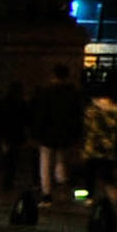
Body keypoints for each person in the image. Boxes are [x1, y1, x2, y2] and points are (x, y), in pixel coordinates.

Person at [24, 67, 85, 207]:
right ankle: (62, 182)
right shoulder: (73, 94)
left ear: (53, 76)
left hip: (47, 134)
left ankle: (47, 194)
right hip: (65, 134)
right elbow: (77, 116)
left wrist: (35, 133)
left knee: (45, 163)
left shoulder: (46, 93)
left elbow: (40, 115)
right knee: (61, 159)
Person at [77, 80, 117, 232]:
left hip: (93, 148)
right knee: (108, 175)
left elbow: (88, 128)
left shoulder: (93, 110)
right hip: (110, 148)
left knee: (90, 174)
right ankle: (113, 197)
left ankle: (89, 197)